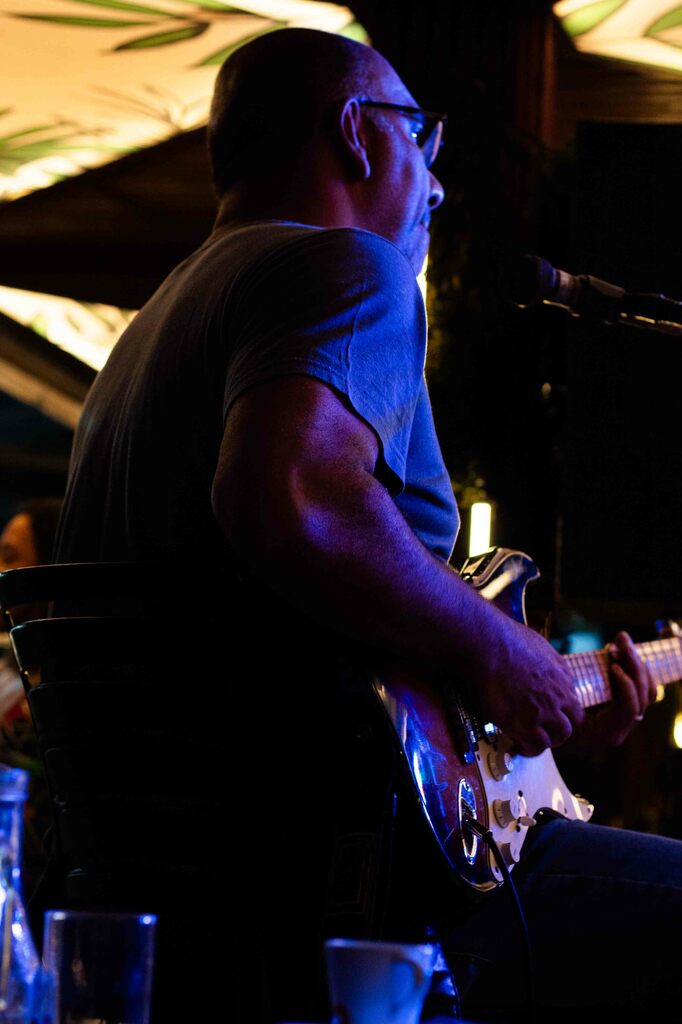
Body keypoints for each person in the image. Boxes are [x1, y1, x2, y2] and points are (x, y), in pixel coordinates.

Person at [50, 26, 682, 1024]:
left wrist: (524, 702)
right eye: (423, 141)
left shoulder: (152, 327)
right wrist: (493, 645)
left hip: (183, 894)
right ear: (355, 131)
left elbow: (302, 641)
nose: (436, 185)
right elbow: (290, 497)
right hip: (343, 890)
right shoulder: (346, 267)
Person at [0, 497, 62, 901]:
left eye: (11, 557)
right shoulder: (9, 665)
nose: (0, 570)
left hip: (34, 872)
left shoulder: (53, 685)